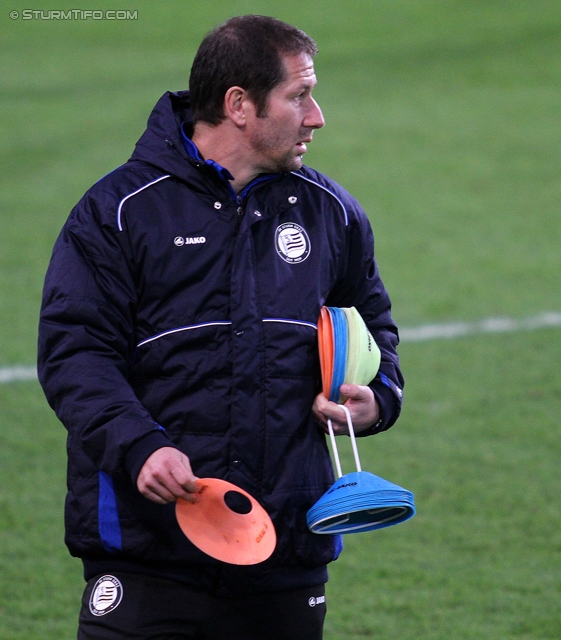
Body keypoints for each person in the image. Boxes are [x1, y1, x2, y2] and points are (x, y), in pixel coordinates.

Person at [38, 15, 403, 640]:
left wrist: (377, 399)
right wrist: (140, 446)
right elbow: (76, 353)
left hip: (287, 550)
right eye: (299, 96)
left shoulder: (331, 214)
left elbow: (372, 331)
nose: (317, 117)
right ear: (239, 104)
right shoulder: (119, 213)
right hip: (151, 553)